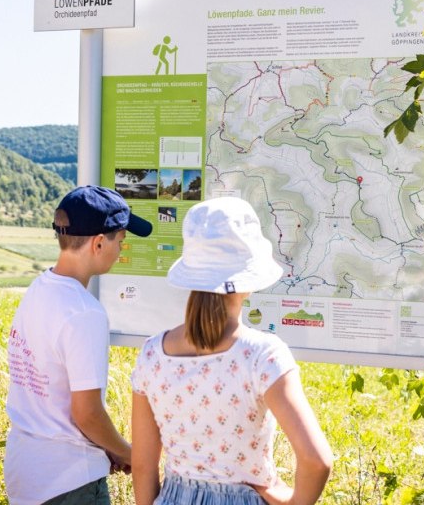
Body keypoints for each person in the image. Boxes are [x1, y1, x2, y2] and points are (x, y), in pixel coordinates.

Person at [130, 197, 333, 505]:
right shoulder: (262, 356)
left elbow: (144, 465)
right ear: (249, 277)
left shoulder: (152, 355)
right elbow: (316, 461)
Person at [5, 185, 154, 504]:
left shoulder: (39, 288)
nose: (120, 251)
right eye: (121, 241)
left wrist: (105, 447)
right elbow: (86, 413)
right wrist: (127, 452)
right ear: (100, 243)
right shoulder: (84, 311)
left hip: (26, 472)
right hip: (69, 480)